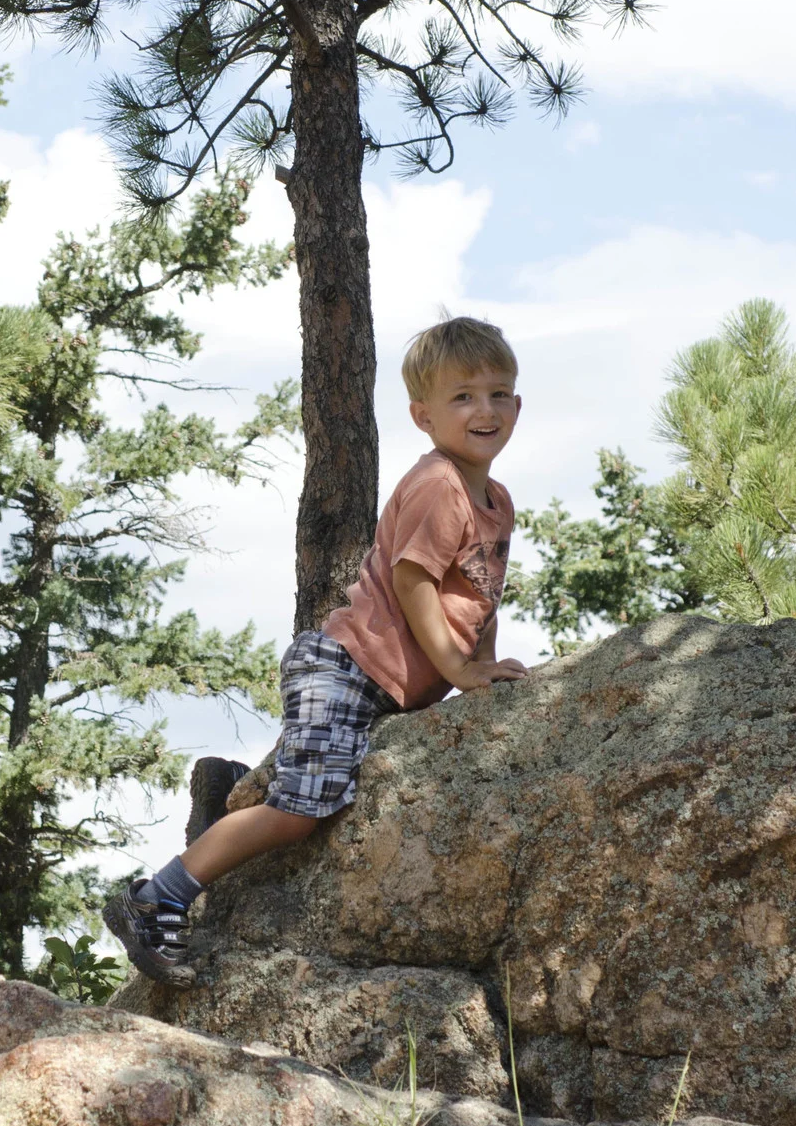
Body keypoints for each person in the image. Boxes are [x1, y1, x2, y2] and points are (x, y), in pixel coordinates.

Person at [106, 316, 530, 986]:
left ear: (518, 404)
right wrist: (456, 670)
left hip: (378, 683)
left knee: (312, 791)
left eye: (499, 393)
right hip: (348, 668)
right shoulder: (439, 486)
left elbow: (476, 595)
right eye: (463, 396)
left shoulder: (496, 501)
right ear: (422, 416)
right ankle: (156, 897)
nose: (485, 410)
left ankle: (221, 808)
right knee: (305, 811)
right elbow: (413, 580)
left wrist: (480, 666)